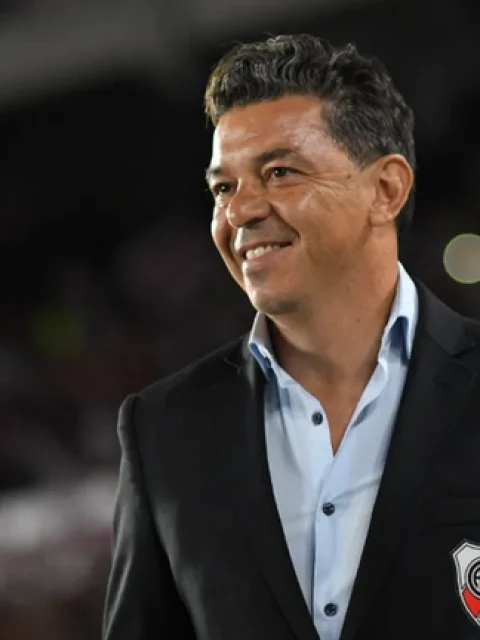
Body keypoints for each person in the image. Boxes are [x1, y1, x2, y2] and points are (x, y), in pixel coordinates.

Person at [103, 34, 480, 640]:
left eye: (279, 173)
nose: (240, 211)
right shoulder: (163, 432)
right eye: (223, 188)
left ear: (385, 189)